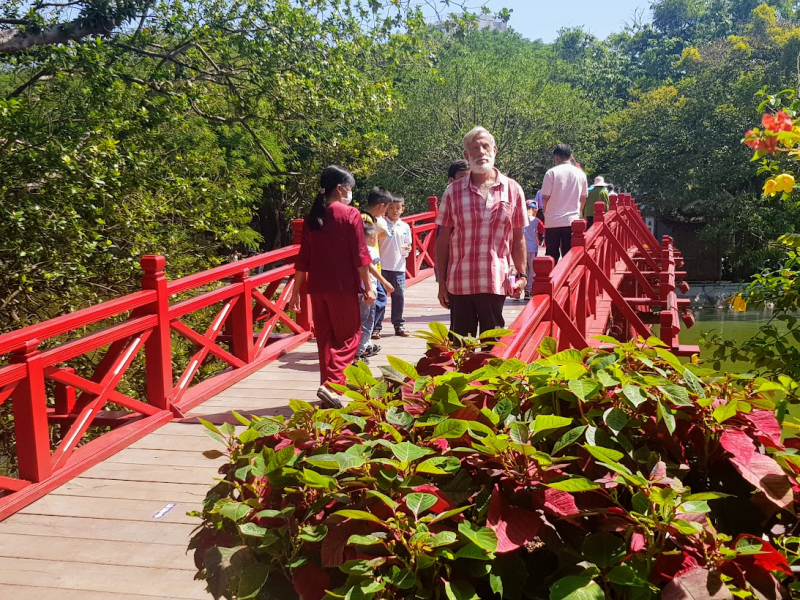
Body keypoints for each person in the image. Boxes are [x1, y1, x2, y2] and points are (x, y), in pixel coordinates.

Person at [290, 165, 374, 409]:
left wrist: (295, 292)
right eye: (349, 188)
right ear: (340, 189)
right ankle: (331, 385)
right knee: (349, 337)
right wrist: (368, 286)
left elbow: (303, 258)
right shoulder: (350, 214)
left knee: (326, 340)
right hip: (343, 286)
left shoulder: (312, 217)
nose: (350, 193)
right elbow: (360, 255)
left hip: (317, 287)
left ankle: (329, 392)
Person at [435, 126, 528, 337]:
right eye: (474, 148)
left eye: (485, 146)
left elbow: (518, 237)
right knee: (459, 348)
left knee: (492, 346)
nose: (481, 152)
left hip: (495, 279)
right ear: (466, 155)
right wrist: (442, 283)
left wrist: (522, 275)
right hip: (459, 281)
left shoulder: (512, 189)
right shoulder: (453, 192)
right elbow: (443, 240)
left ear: (494, 150)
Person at [541, 143, 588, 263]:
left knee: (551, 254)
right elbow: (583, 198)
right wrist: (579, 212)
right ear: (571, 157)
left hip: (553, 220)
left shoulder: (551, 173)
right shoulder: (580, 174)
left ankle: (551, 279)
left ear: (556, 157)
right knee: (569, 254)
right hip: (572, 220)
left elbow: (545, 197)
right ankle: (569, 281)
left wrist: (546, 211)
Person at [355, 223, 395, 363]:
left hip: (356, 291)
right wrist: (385, 282)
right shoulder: (370, 250)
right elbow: (370, 268)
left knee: (358, 321)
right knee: (367, 321)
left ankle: (366, 345)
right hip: (368, 290)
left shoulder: (355, 249)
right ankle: (359, 352)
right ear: (372, 237)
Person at [360, 187, 392, 340]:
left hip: (372, 266)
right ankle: (367, 337)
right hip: (369, 268)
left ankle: (367, 337)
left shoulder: (367, 218)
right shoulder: (366, 219)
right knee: (377, 303)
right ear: (381, 205)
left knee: (377, 303)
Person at [380, 194, 412, 337]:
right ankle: (376, 326)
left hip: (399, 267)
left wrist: (408, 249)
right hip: (381, 267)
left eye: (397, 208)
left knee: (399, 297)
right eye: (391, 208)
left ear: (402, 209)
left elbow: (407, 244)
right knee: (380, 298)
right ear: (386, 209)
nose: (394, 211)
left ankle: (398, 325)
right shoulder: (381, 224)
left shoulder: (404, 226)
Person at [523, 200, 545, 299]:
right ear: (535, 210)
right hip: (532, 248)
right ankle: (528, 290)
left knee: (523, 269)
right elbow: (544, 230)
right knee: (532, 270)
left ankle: (518, 289)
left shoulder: (520, 219)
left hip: (521, 248)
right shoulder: (536, 221)